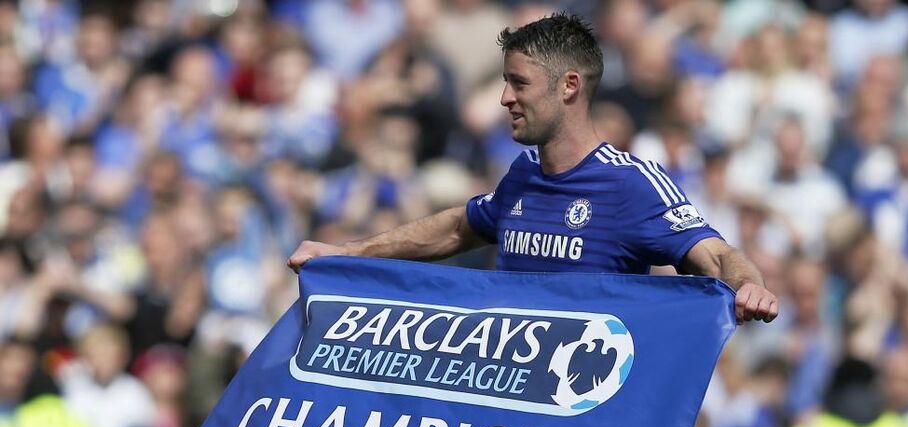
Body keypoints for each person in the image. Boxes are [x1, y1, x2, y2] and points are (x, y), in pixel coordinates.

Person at [288, 13, 778, 325]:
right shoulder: (522, 173)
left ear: (568, 86)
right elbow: (457, 228)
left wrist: (748, 286)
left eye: (518, 83)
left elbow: (715, 256)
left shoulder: (630, 184)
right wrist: (348, 254)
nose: (505, 98)